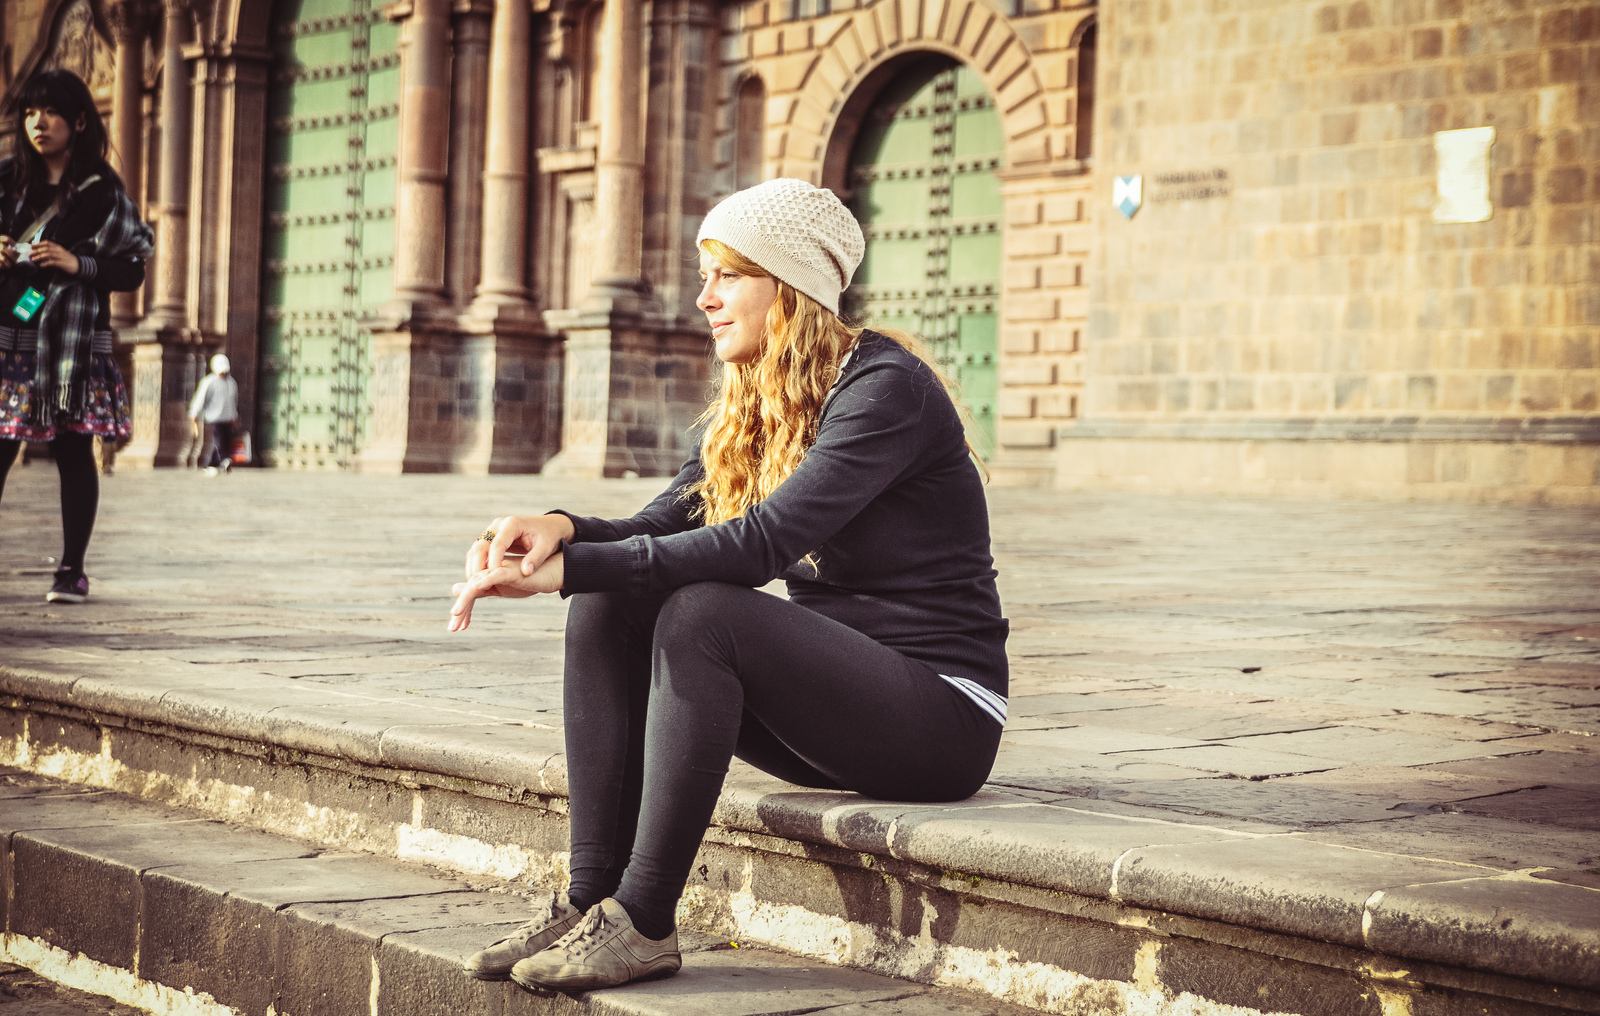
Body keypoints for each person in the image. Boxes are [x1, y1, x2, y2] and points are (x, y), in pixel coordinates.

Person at [447, 178, 1009, 993]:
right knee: (610, 598)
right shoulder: (758, 397)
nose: (704, 298)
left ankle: (645, 920)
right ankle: (589, 900)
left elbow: (760, 546)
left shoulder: (885, 389)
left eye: (729, 276)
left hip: (942, 718)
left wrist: (566, 572)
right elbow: (662, 524)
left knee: (704, 613)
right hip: (839, 707)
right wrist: (559, 532)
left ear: (789, 288)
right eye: (705, 275)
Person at [0, 69, 153, 604]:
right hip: (9, 337)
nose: (37, 123)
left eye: (50, 112)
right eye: (29, 112)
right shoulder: (7, 180)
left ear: (79, 121)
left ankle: (72, 570)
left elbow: (132, 269)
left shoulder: (101, 191)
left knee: (72, 449)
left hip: (73, 344)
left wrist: (76, 263)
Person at [188, 352, 239, 475]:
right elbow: (200, 398)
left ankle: (213, 463)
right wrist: (194, 413)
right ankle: (225, 460)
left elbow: (234, 400)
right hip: (213, 418)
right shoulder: (209, 382)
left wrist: (234, 416)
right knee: (218, 441)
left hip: (227, 417)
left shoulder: (231, 382)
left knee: (224, 441)